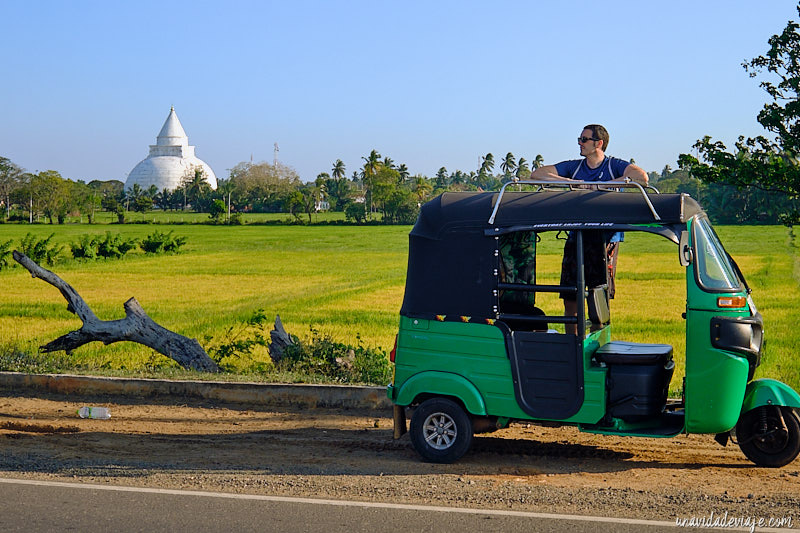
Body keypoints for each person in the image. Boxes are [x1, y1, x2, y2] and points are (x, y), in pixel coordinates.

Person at [530, 124, 648, 334]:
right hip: (577, 235)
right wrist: (571, 182)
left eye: (584, 140)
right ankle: (572, 343)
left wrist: (603, 186)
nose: (579, 143)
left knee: (598, 296)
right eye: (579, 139)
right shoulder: (574, 167)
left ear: (599, 143)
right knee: (570, 294)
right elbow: (537, 174)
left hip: (605, 238)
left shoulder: (614, 166)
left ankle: (597, 343)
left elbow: (641, 177)